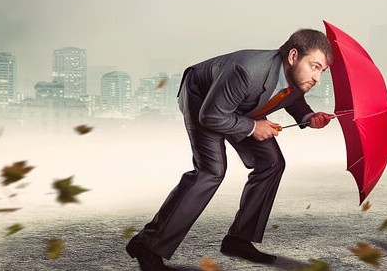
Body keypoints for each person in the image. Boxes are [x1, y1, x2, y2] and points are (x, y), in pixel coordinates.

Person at [125, 29, 334, 270]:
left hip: (240, 108)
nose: (318, 78)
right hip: (202, 98)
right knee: (211, 171)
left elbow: (293, 98)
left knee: (272, 162)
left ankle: (238, 240)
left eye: (322, 71)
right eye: (315, 67)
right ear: (293, 55)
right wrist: (253, 126)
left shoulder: (297, 76)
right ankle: (147, 244)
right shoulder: (247, 71)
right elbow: (210, 115)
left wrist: (309, 117)